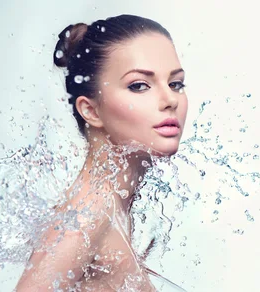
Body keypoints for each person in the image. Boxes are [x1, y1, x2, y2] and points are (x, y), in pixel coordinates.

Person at [15, 14, 188, 291]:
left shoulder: (115, 207)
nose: (169, 100)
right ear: (91, 110)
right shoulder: (89, 213)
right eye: (139, 85)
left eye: (175, 84)